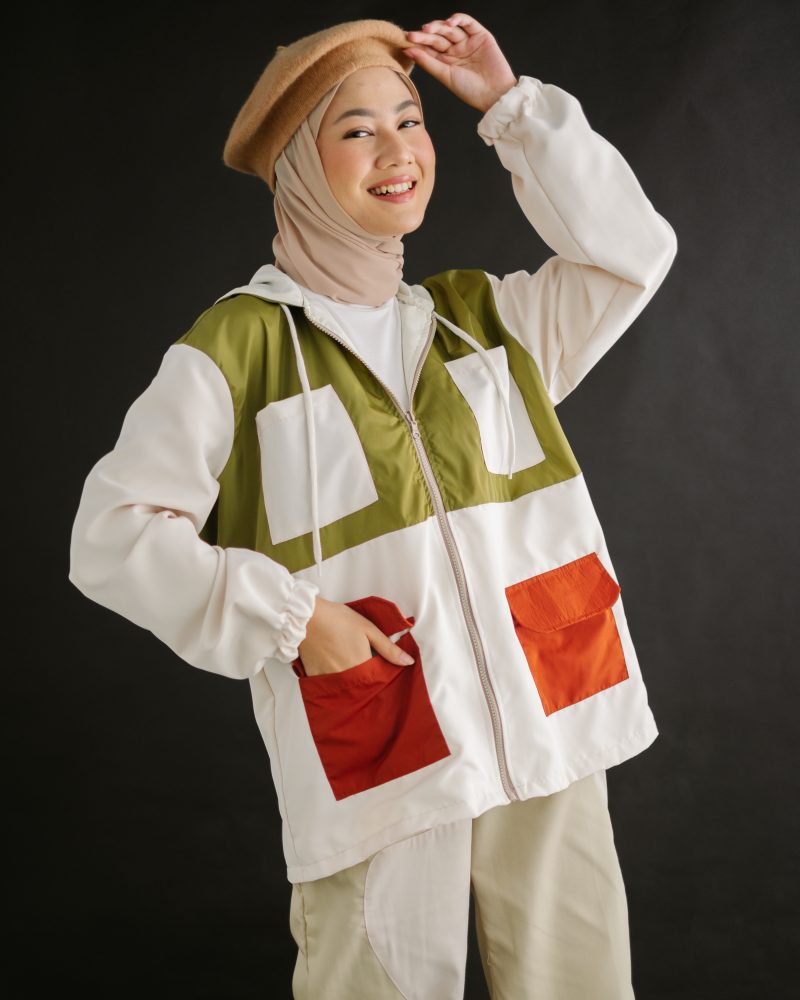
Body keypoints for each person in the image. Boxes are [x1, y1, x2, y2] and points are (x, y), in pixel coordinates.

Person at [68, 13, 678, 999]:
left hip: (547, 713)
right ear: (298, 169)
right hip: (383, 741)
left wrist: (510, 108)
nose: (398, 150)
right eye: (357, 130)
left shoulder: (485, 322)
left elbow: (631, 254)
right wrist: (296, 618)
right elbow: (112, 537)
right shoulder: (237, 349)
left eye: (410, 120)